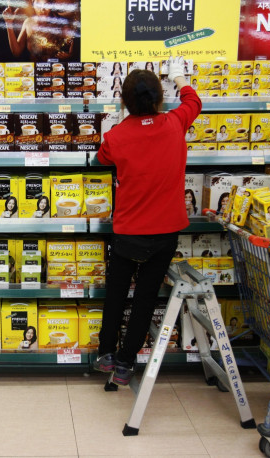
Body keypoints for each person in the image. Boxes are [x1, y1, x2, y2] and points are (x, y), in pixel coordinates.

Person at [92, 56, 202, 386]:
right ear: (159, 98)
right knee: (145, 298)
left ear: (124, 101)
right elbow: (194, 101)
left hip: (127, 232)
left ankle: (105, 354)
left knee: (116, 293)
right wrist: (180, 77)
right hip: (165, 232)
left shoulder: (116, 136)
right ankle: (126, 363)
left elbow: (100, 159)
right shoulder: (175, 123)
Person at [2, 0, 76, 61]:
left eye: (46, 4)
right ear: (33, 5)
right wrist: (9, 23)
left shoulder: (62, 24)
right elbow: (16, 52)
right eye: (38, 5)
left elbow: (71, 47)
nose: (42, 9)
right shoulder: (28, 23)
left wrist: (70, 55)